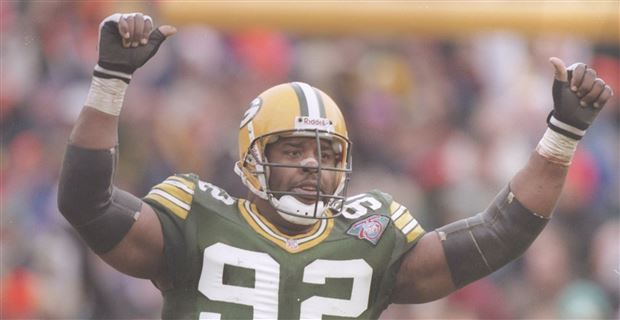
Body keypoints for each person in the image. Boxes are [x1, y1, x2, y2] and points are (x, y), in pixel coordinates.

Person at [58, 13, 613, 319]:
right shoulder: (196, 217)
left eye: (326, 155)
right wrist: (111, 80)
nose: (310, 167)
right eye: (292, 150)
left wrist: (561, 135)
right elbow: (87, 204)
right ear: (253, 158)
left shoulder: (370, 235)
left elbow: (503, 232)